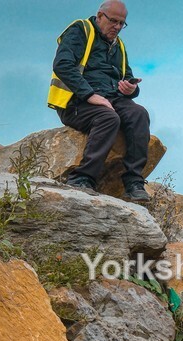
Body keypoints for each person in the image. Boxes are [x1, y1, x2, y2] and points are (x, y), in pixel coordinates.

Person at [49, 0, 150, 202]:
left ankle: (133, 183)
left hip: (110, 98)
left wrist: (131, 88)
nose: (118, 27)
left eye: (122, 23)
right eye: (114, 21)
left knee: (139, 114)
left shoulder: (118, 45)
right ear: (100, 16)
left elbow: (126, 76)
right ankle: (82, 179)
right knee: (108, 118)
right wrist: (89, 95)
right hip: (76, 101)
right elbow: (62, 65)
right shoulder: (81, 30)